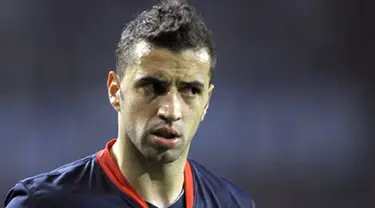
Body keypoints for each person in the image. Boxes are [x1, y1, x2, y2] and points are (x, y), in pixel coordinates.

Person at [4, 0, 255, 207]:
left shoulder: (233, 203)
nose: (170, 111)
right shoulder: (42, 203)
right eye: (153, 87)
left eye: (190, 90)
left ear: (207, 101)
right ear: (115, 91)